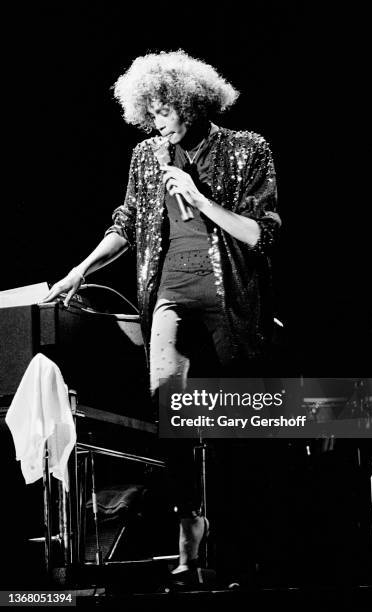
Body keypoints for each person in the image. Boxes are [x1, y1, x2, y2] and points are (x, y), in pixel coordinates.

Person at [42, 50, 281, 584]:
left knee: (233, 425)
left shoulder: (248, 149)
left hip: (231, 301)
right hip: (168, 293)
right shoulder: (146, 155)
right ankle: (189, 541)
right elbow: (126, 223)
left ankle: (245, 541)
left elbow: (261, 234)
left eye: (163, 112)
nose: (156, 123)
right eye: (148, 114)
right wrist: (78, 271)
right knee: (169, 419)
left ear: (190, 103)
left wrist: (198, 197)